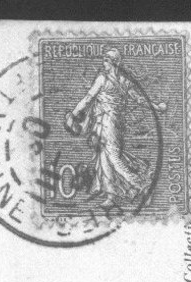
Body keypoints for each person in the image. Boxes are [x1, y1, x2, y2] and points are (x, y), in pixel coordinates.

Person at [65, 49, 157, 209]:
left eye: (106, 60)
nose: (104, 63)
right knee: (103, 158)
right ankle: (111, 196)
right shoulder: (124, 80)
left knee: (113, 158)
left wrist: (73, 113)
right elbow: (140, 98)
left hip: (108, 123)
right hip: (108, 123)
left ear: (114, 62)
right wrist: (156, 106)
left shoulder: (103, 79)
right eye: (104, 60)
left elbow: (88, 99)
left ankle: (142, 184)